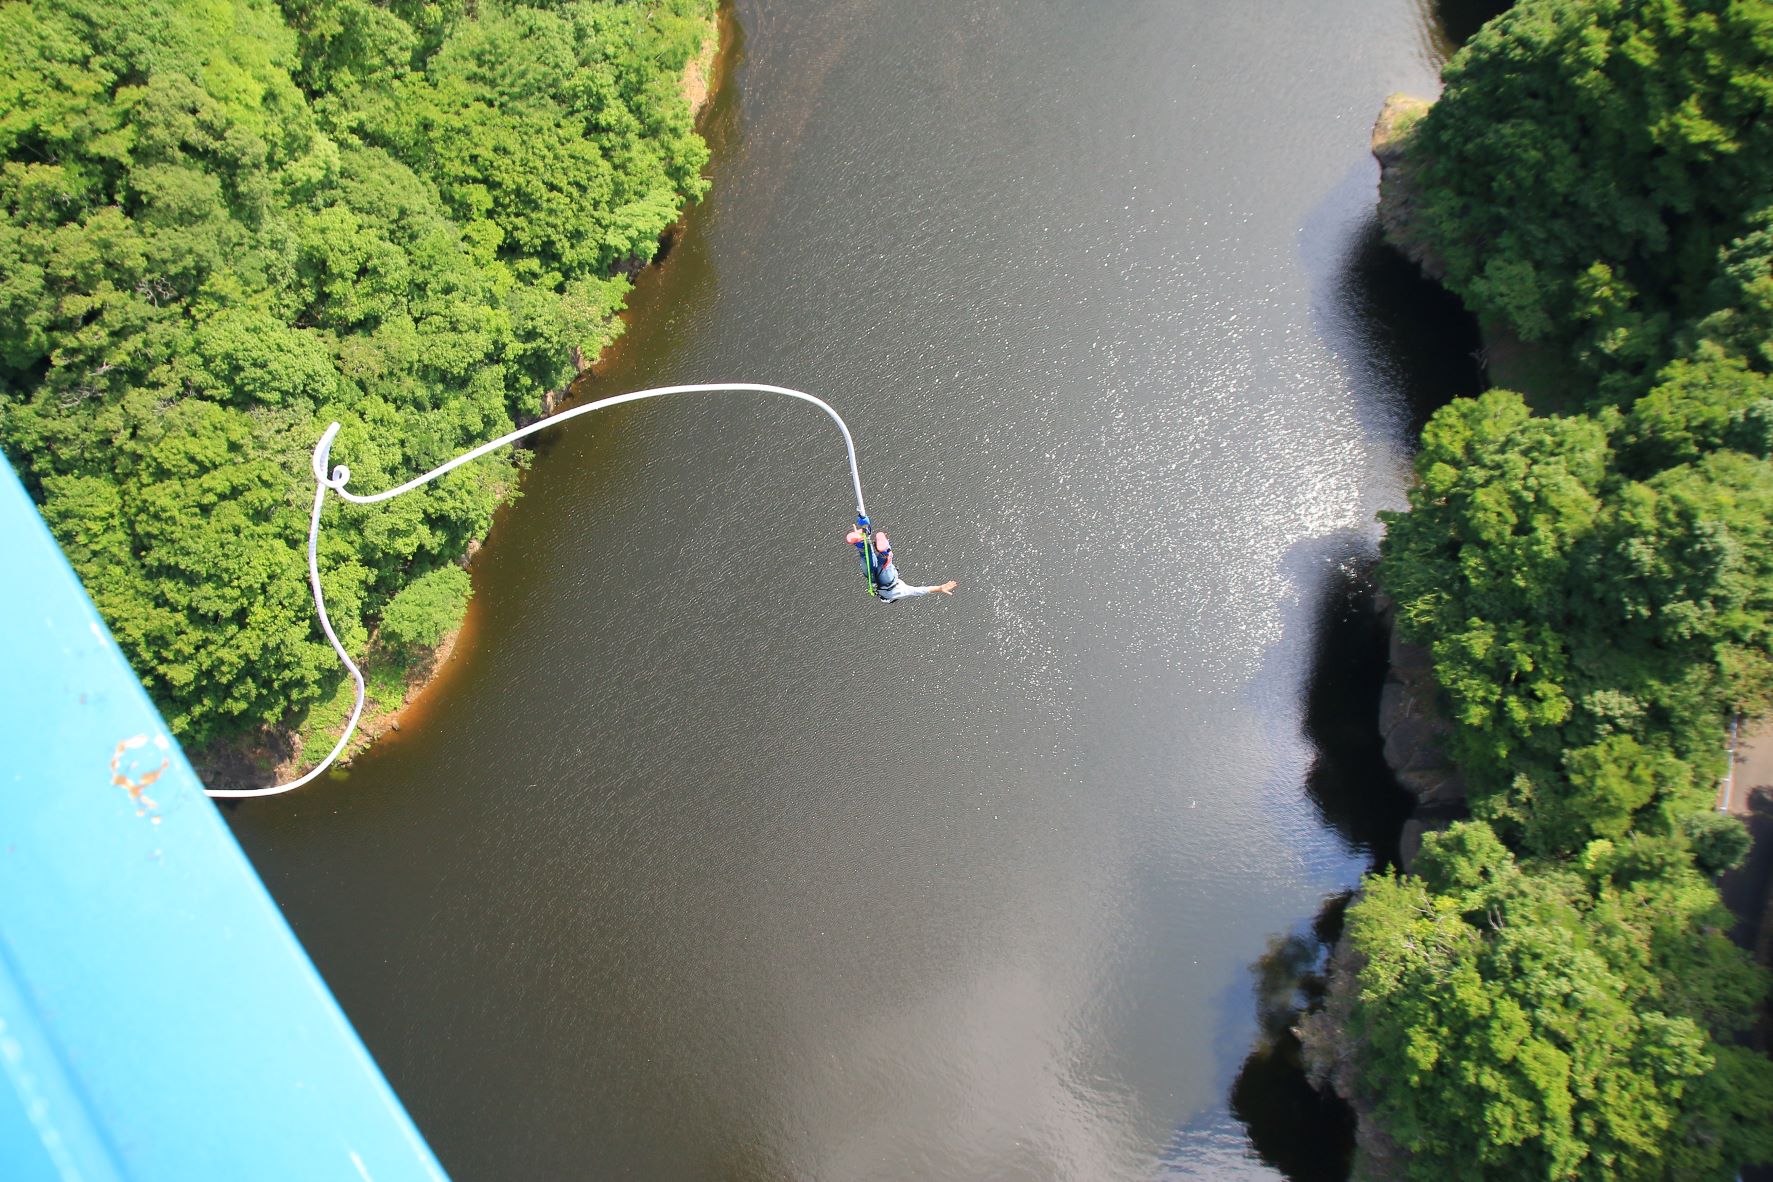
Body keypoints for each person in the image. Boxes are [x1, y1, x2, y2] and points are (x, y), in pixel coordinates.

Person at [844, 528, 957, 602]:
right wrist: (940, 588)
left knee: (885, 564)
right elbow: (919, 591)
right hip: (873, 576)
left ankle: (883, 552)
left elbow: (919, 591)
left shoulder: (900, 591)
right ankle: (861, 543)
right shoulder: (883, 593)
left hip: (887, 579)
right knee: (867, 558)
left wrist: (939, 588)